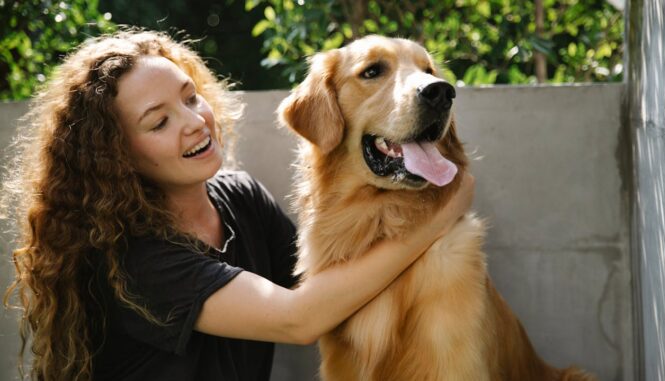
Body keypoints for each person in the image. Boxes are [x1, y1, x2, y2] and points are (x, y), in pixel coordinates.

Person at [1, 29, 474, 381]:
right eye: (159, 122)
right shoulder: (133, 260)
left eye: (190, 98)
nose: (193, 122)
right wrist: (442, 214)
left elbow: (335, 285)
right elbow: (300, 317)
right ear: (116, 155)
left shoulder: (240, 197)